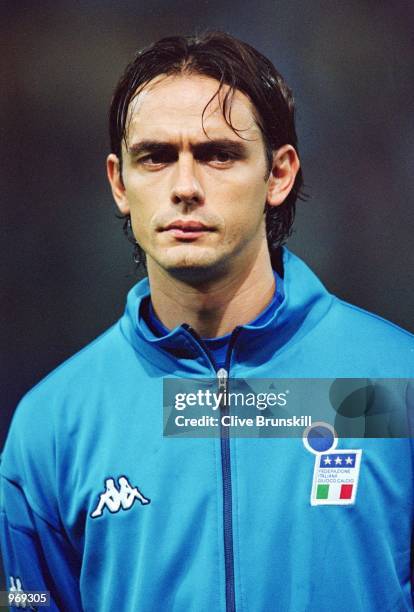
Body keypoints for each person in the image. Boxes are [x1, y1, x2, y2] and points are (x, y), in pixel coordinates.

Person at [1, 31, 413, 612]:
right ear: (120, 183)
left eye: (219, 154)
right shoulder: (54, 424)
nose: (186, 187)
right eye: (156, 157)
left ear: (278, 174)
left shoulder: (394, 382)